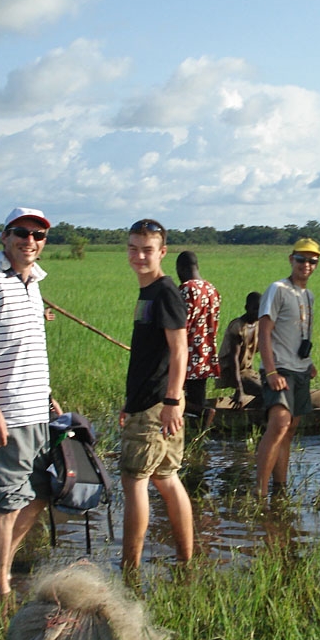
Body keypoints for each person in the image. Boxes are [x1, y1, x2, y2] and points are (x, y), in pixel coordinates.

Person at [0, 208, 62, 600]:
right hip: (7, 413)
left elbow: (29, 349)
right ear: (5, 237)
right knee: (5, 502)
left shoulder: (33, 283)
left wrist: (48, 397)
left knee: (41, 492)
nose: (30, 241)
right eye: (21, 233)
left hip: (36, 410)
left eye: (38, 236)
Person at [119, 219, 193, 571]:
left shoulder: (165, 292)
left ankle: (129, 568)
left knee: (134, 481)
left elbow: (180, 350)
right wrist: (129, 402)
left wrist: (172, 401)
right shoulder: (147, 291)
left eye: (147, 250)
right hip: (149, 402)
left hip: (159, 405)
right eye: (134, 248)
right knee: (166, 478)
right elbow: (150, 355)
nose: (139, 256)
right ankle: (185, 559)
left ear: (162, 252)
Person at [254, 238, 320, 499]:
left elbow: (297, 333)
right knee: (279, 423)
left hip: (300, 368)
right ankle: (259, 491)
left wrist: (309, 362)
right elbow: (264, 330)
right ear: (291, 259)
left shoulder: (308, 295)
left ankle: (279, 488)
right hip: (279, 368)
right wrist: (270, 371)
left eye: (312, 260)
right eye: (301, 259)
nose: (306, 264)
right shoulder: (278, 289)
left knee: (290, 428)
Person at [175, 251, 221, 424]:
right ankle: (199, 442)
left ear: (181, 268)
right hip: (205, 355)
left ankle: (204, 412)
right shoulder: (212, 290)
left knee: (173, 396)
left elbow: (180, 327)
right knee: (197, 397)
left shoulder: (186, 289)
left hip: (186, 356)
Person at [214, 292, 262, 408]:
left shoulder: (258, 325)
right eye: (255, 309)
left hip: (245, 370)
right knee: (265, 392)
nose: (258, 312)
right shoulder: (238, 327)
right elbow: (233, 358)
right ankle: (247, 415)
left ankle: (248, 409)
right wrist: (239, 387)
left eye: (261, 309)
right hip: (231, 370)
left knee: (272, 390)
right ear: (246, 308)